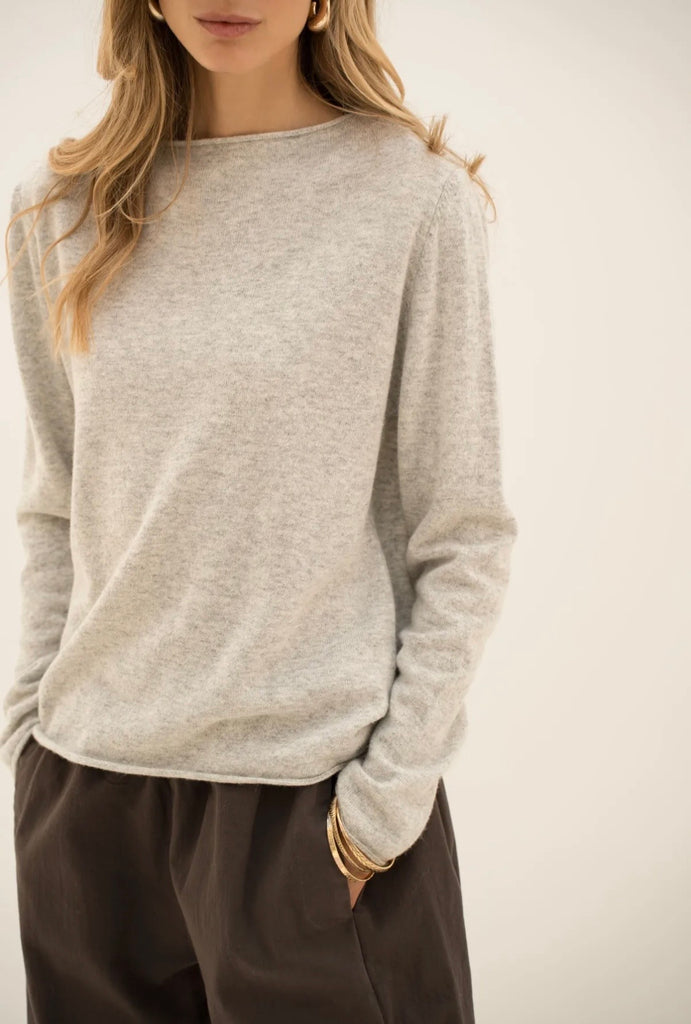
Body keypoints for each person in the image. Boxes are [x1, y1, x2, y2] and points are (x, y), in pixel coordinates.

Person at [1, 1, 517, 1021]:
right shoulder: (58, 210)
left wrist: (378, 812)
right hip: (87, 799)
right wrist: (29, 737)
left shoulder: (410, 200)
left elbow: (463, 535)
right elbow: (57, 501)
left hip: (309, 809)